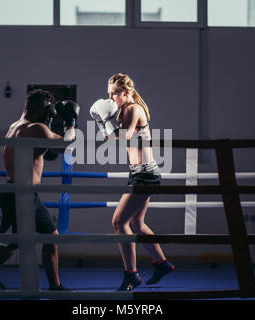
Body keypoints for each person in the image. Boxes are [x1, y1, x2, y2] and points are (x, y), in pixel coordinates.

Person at [0, 89, 79, 291]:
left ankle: (55, 287)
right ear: (43, 110)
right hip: (18, 195)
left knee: (51, 238)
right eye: (50, 112)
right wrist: (70, 121)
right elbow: (66, 145)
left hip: (27, 194)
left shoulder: (16, 126)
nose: (51, 116)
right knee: (5, 250)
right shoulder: (36, 128)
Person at [90, 73, 174, 291]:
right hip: (138, 172)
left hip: (145, 174)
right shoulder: (122, 110)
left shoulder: (133, 109)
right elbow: (111, 139)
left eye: (114, 93)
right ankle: (162, 264)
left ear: (126, 92)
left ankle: (131, 275)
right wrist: (101, 122)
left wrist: (105, 121)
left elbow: (123, 138)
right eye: (108, 94)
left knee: (119, 223)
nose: (110, 98)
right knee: (136, 224)